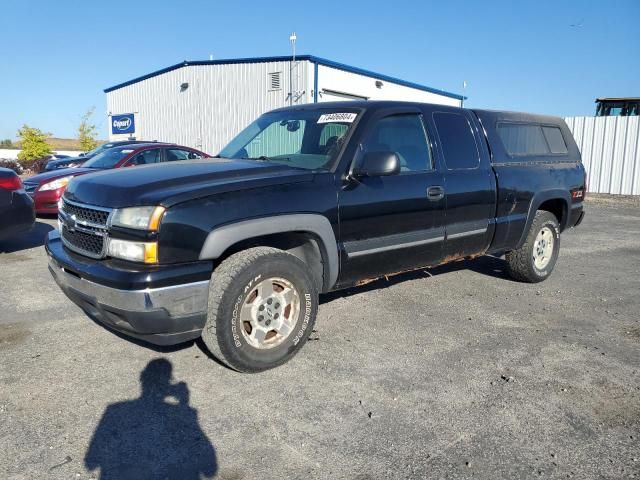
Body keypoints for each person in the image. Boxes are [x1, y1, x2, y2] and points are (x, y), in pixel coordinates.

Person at [85, 358, 217, 479]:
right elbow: (209, 469)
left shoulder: (114, 410)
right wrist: (184, 404)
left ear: (142, 378)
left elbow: (91, 462)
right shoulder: (183, 413)